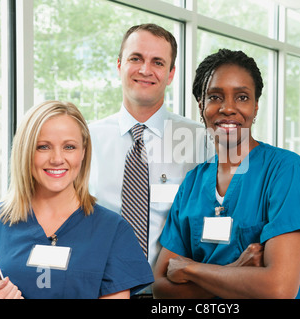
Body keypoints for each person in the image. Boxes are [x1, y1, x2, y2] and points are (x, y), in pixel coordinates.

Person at [152, 49, 300, 299]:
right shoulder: (193, 182)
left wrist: (190, 269)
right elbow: (161, 288)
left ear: (256, 106)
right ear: (201, 105)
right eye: (215, 97)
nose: (228, 108)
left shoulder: (286, 170)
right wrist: (236, 270)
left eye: (241, 97)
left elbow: (278, 287)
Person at [0, 100, 153, 299]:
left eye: (69, 147)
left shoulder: (113, 231)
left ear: (83, 152)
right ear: (25, 151)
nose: (57, 158)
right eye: (43, 147)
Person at [89, 23, 212, 296]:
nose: (145, 70)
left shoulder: (202, 142)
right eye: (136, 58)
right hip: (99, 290)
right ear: (119, 64)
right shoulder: (84, 139)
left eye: (157, 62)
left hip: (171, 294)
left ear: (170, 75)